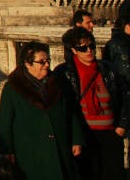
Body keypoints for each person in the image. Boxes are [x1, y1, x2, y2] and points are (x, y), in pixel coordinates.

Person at [0, 41, 83, 179]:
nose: (47, 65)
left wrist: (77, 139)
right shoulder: (13, 88)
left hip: (60, 147)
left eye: (48, 60)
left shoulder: (58, 83)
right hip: (31, 151)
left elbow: (71, 112)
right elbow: (5, 121)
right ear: (27, 63)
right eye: (42, 62)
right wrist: (6, 150)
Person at [53, 27, 130, 179]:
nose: (89, 51)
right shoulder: (64, 73)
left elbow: (125, 96)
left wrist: (122, 125)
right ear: (74, 51)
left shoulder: (108, 69)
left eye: (92, 46)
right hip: (84, 135)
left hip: (111, 133)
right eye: (83, 48)